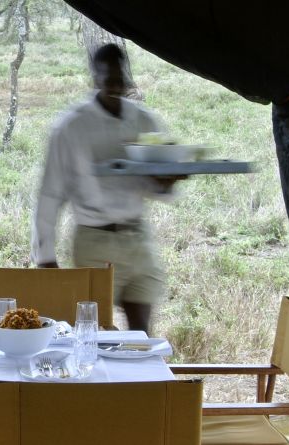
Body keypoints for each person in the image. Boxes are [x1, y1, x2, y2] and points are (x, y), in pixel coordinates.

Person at [30, 43, 183, 335]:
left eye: (120, 78)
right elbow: (49, 195)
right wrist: (45, 257)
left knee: (141, 336)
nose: (115, 85)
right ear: (94, 78)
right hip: (94, 240)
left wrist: (166, 182)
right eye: (107, 78)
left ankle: (138, 364)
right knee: (94, 333)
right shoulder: (71, 127)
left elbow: (156, 182)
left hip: (137, 236)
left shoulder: (144, 120)